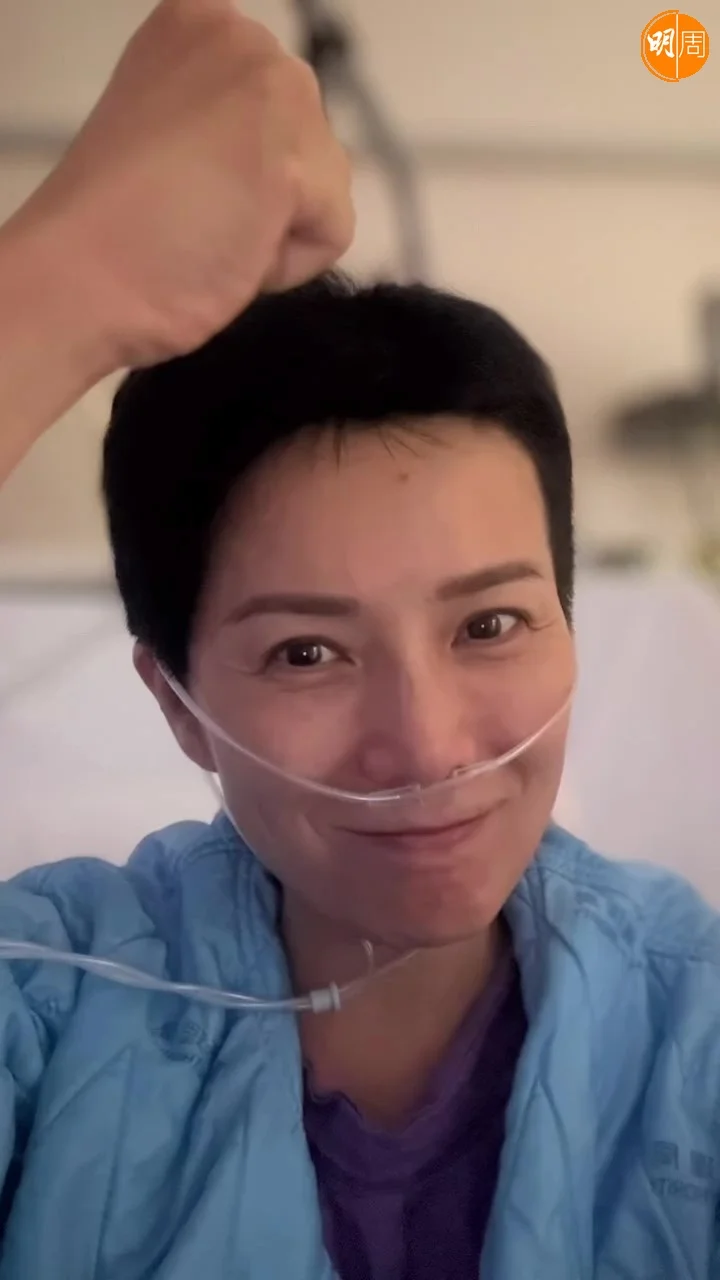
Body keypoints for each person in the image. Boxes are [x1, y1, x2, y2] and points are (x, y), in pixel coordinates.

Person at [0, 1, 718, 1277]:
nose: (427, 745)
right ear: (174, 702)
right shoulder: (46, 1005)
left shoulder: (692, 1018)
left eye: (490, 622)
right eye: (307, 653)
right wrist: (56, 289)